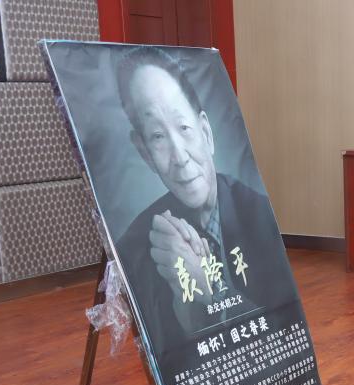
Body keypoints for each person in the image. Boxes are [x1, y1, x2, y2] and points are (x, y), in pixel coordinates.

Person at [115, 45, 281, 349]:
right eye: (157, 136)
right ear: (145, 152)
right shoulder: (138, 245)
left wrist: (208, 289)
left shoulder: (258, 215)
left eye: (184, 127)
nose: (180, 157)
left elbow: (283, 335)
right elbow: (168, 358)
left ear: (206, 132)